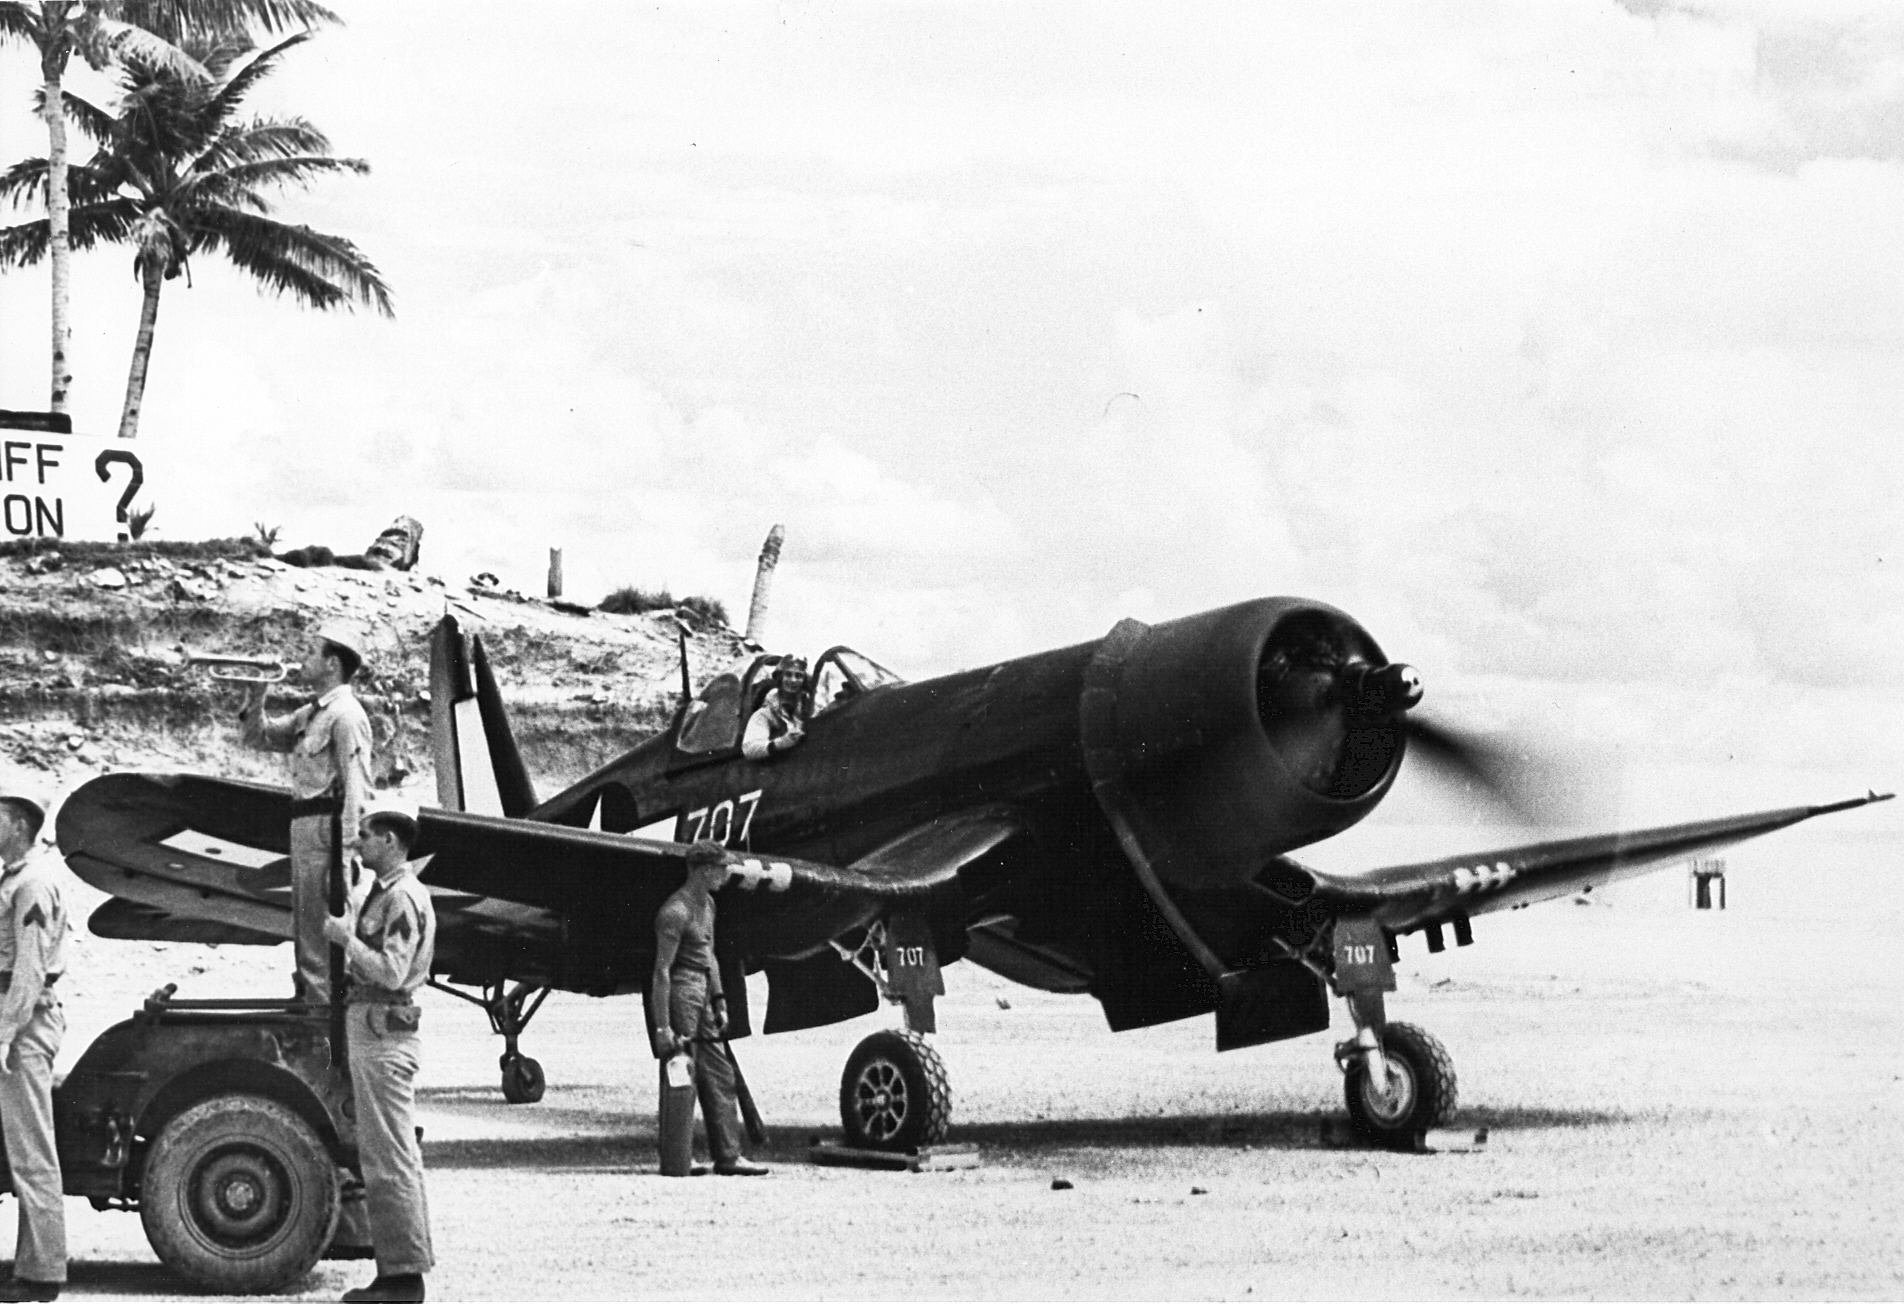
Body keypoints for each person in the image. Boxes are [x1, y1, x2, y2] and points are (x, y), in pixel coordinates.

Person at [323, 807, 436, 1303]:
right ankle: (398, 1272)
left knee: (390, 1156)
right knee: (384, 1153)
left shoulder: (404, 898)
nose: (359, 843)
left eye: (367, 836)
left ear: (390, 841)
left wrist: (346, 941)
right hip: (373, 1025)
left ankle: (403, 1278)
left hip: (383, 1029)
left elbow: (392, 972)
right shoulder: (385, 893)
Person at [240, 621, 375, 1005]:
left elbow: (357, 788)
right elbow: (258, 737)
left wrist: (348, 852)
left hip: (326, 831)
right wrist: (257, 696)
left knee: (320, 935)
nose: (302, 660)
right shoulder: (311, 714)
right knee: (306, 930)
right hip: (305, 827)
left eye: (311, 652)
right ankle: (312, 1007)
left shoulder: (346, 714)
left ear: (332, 664)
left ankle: (324, 1025)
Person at [650, 841, 767, 1176]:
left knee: (720, 1072)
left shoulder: (709, 905)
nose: (725, 873)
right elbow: (661, 972)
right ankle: (677, 1156)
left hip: (702, 988)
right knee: (680, 1072)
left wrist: (719, 1000)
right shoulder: (676, 911)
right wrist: (662, 1027)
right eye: (720, 867)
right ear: (702, 870)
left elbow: (710, 957)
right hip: (683, 989)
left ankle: (729, 1156)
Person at [0, 791, 67, 1303]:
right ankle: (29, 1264)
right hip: (15, 1016)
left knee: (31, 1149)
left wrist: (5, 1034)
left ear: (20, 825)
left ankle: (43, 1275)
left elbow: (27, 971)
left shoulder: (34, 882)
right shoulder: (15, 879)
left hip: (22, 1022)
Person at [741, 656, 809, 761]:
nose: (793, 680)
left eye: (799, 676)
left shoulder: (810, 708)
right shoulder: (765, 714)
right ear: (780, 678)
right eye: (788, 674)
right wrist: (780, 743)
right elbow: (749, 748)